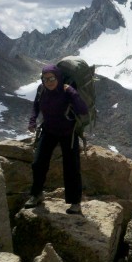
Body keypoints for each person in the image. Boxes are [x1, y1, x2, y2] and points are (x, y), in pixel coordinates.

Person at [25, 64, 88, 215]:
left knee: (72, 167)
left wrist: (72, 92)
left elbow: (83, 110)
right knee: (38, 163)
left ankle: (75, 203)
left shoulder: (67, 91)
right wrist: (32, 121)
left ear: (58, 78)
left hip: (68, 133)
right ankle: (36, 194)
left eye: (52, 78)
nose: (49, 82)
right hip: (49, 131)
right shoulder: (42, 90)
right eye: (45, 79)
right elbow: (36, 105)